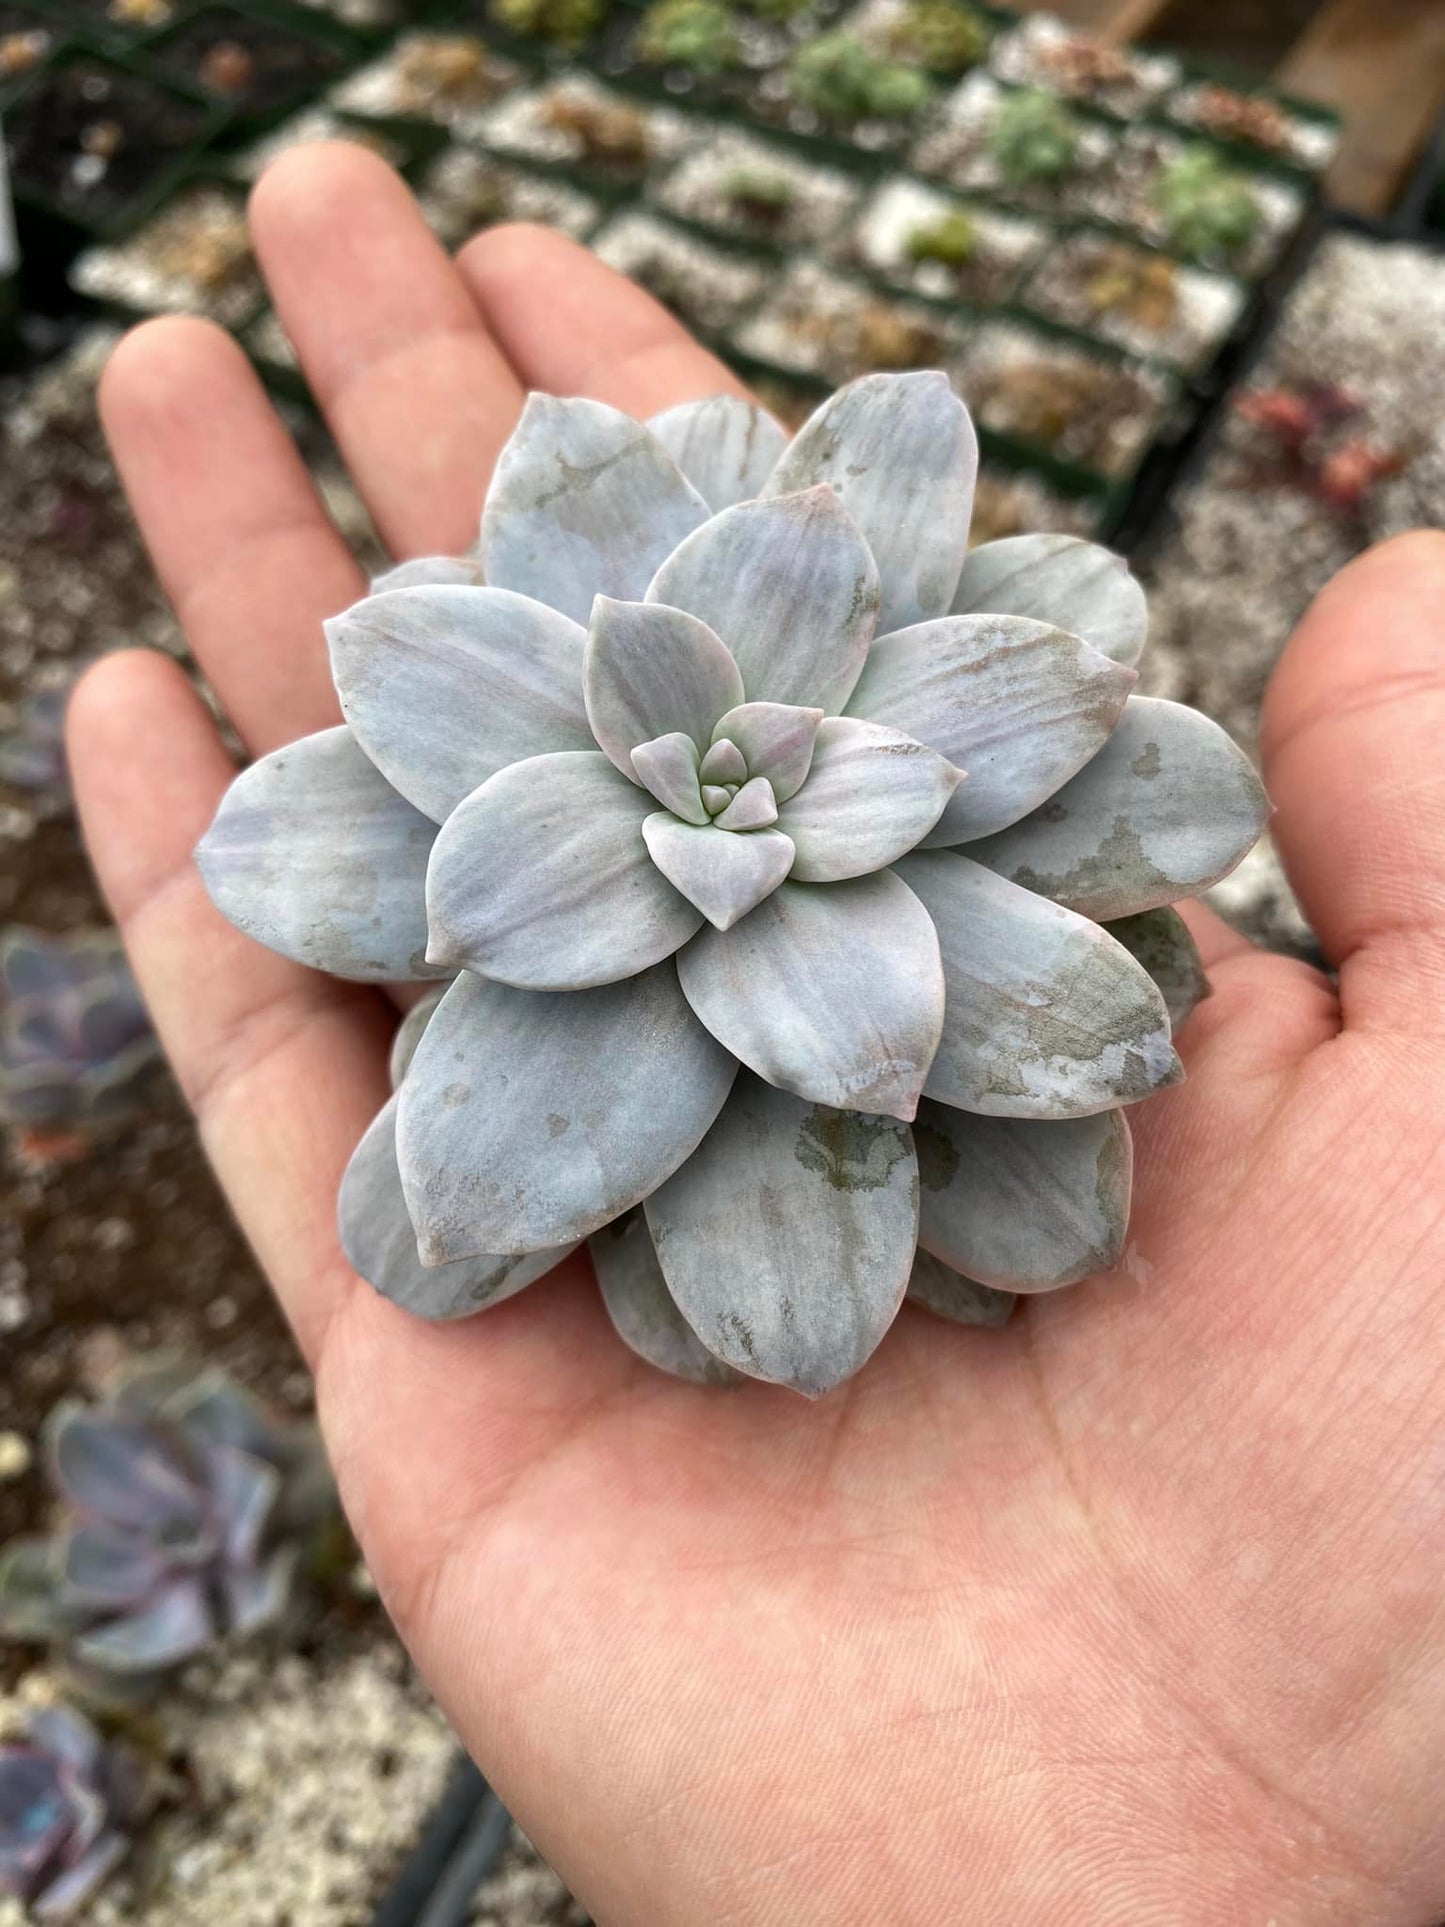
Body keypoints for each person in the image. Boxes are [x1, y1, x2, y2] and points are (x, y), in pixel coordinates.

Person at [65, 143, 1445, 1924]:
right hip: (585, 903)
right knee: (451, 1191)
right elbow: (442, 897)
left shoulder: (938, 758)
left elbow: (1065, 698)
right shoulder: (519, 777)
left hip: (886, 952)